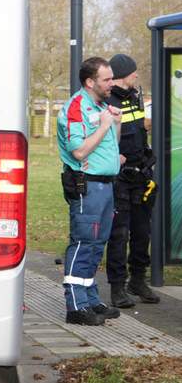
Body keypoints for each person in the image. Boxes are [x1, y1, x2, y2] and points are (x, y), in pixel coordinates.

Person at [57, 57, 122, 326]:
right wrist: (105, 125)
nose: (112, 83)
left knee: (97, 244)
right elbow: (79, 150)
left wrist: (115, 124)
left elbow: (111, 146)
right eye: (107, 79)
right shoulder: (76, 107)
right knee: (84, 241)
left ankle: (91, 298)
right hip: (87, 185)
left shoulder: (100, 105)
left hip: (104, 186)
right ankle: (76, 305)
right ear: (90, 81)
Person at [104, 53, 161, 306]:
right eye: (133, 72)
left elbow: (139, 131)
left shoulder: (135, 97)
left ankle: (138, 280)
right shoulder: (107, 101)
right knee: (119, 234)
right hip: (119, 180)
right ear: (122, 75)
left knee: (142, 231)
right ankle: (118, 288)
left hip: (141, 176)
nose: (136, 76)